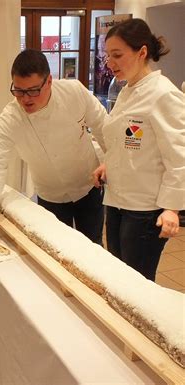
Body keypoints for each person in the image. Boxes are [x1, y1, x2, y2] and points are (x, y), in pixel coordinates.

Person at [0, 49, 108, 245]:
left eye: (33, 90)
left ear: (49, 81)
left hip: (88, 186)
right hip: (50, 194)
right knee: (56, 249)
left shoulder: (74, 92)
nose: (25, 99)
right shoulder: (11, 117)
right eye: (18, 91)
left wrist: (109, 161)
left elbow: (104, 127)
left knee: (92, 246)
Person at [92, 18, 185, 281]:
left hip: (145, 210)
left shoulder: (163, 94)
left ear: (142, 52)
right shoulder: (127, 91)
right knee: (119, 277)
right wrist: (108, 163)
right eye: (107, 55)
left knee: (137, 284)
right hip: (118, 201)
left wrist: (172, 208)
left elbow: (179, 156)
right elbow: (124, 142)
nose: (110, 63)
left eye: (117, 55)